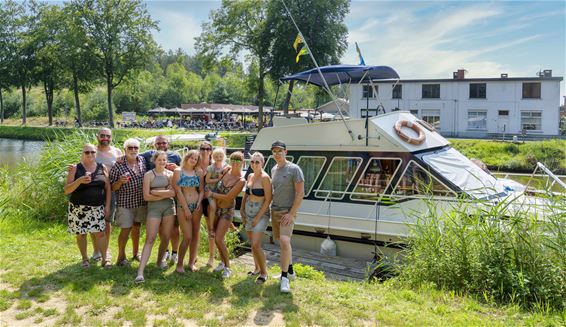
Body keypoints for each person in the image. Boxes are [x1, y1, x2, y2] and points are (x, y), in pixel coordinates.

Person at [64, 143, 112, 268]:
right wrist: (79, 180)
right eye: (87, 152)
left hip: (97, 207)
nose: (90, 154)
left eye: (92, 152)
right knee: (81, 234)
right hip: (78, 208)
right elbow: (67, 190)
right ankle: (85, 259)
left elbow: (108, 189)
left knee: (100, 233)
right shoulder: (75, 168)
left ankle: (105, 259)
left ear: (96, 153)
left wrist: (107, 206)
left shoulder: (102, 167)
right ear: (82, 153)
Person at [140, 135, 181, 265]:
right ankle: (165, 251)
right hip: (155, 202)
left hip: (170, 199)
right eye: (159, 143)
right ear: (154, 144)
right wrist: (120, 156)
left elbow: (182, 172)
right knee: (159, 229)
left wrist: (156, 192)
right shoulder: (147, 155)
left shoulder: (176, 156)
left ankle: (175, 252)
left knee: (174, 228)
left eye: (164, 142)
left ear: (168, 143)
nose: (161, 144)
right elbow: (134, 155)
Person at [135, 151, 176, 283]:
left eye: (164, 160)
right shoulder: (149, 175)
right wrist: (164, 193)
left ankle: (159, 261)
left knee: (165, 236)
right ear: (154, 161)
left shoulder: (170, 174)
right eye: (160, 160)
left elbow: (173, 193)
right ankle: (140, 272)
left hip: (169, 208)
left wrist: (156, 191)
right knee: (150, 238)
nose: (162, 162)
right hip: (154, 209)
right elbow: (146, 196)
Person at [270, 140, 304, 293]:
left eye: (280, 151)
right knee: (282, 243)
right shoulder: (273, 169)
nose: (277, 154)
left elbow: (300, 193)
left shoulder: (294, 169)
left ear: (286, 152)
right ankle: (290, 271)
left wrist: (291, 213)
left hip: (287, 212)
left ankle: (284, 278)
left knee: (284, 241)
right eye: (274, 151)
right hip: (275, 210)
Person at [206, 151, 246, 278]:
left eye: (238, 161)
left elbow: (228, 197)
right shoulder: (225, 171)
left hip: (227, 212)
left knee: (218, 238)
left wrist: (211, 195)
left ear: (242, 163)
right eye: (233, 160)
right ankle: (222, 262)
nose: (235, 163)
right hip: (216, 209)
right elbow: (212, 174)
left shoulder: (241, 181)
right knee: (216, 238)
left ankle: (228, 267)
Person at [109, 138, 147, 267]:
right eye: (130, 147)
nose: (133, 150)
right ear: (125, 149)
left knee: (137, 227)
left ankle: (136, 253)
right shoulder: (118, 165)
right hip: (125, 203)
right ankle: (121, 256)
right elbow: (112, 187)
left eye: (136, 147)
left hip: (140, 201)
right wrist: (120, 181)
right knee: (125, 229)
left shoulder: (142, 160)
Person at [240, 152, 272, 284]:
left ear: (262, 163)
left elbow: (268, 199)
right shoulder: (251, 176)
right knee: (252, 244)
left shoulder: (265, 178)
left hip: (261, 212)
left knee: (256, 244)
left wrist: (258, 217)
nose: (254, 164)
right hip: (248, 211)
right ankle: (257, 268)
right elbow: (246, 195)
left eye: (257, 162)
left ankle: (264, 273)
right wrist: (242, 210)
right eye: (252, 162)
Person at [92, 128, 122, 261]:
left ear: (111, 137)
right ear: (98, 137)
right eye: (102, 135)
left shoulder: (117, 151)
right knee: (94, 220)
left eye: (108, 136)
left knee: (107, 220)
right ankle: (96, 250)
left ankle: (106, 249)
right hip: (94, 190)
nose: (105, 138)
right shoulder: (92, 150)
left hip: (111, 190)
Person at [172, 150, 204, 273]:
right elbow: (178, 191)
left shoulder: (199, 172)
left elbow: (201, 190)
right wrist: (185, 209)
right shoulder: (178, 171)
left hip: (196, 206)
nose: (193, 160)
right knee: (187, 236)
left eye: (196, 159)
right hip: (182, 207)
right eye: (192, 157)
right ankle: (179, 264)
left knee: (195, 235)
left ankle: (191, 263)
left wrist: (199, 203)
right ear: (187, 157)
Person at [204, 148, 230, 266]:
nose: (219, 158)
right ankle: (211, 257)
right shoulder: (211, 167)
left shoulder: (226, 166)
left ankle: (222, 260)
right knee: (212, 229)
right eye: (216, 156)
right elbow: (207, 180)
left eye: (221, 156)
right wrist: (218, 178)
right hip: (211, 193)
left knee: (221, 234)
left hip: (221, 196)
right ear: (213, 157)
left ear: (223, 156)